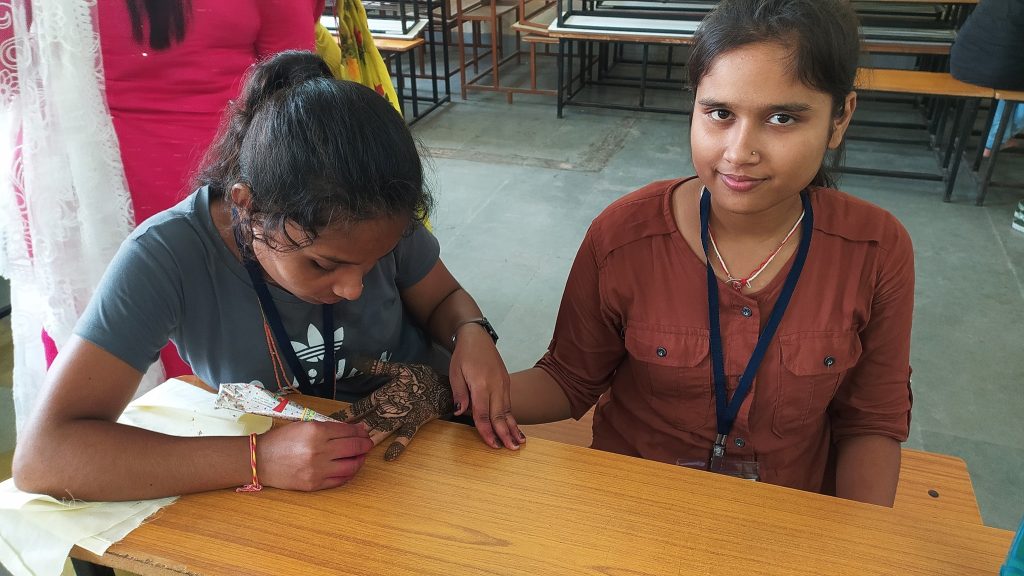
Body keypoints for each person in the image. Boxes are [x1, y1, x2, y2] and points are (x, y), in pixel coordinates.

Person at [12, 51, 523, 502]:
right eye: (323, 264)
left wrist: (471, 331)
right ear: (248, 207)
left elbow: (444, 298)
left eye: (377, 259)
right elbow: (44, 456)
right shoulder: (167, 257)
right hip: (292, 469)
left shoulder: (375, 210)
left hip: (423, 438)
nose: (354, 288)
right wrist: (259, 459)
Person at [510, 0, 914, 506]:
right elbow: (569, 379)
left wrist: (859, 542)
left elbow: (871, 419)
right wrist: (443, 391)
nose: (739, 152)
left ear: (840, 118)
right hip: (632, 506)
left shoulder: (875, 249)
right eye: (720, 113)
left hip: (787, 514)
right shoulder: (622, 237)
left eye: (783, 118)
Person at [949, 0, 1024, 156]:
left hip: (962, 61)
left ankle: (998, 137)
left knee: (1012, 75)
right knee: (1012, 79)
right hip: (998, 71)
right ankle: (995, 140)